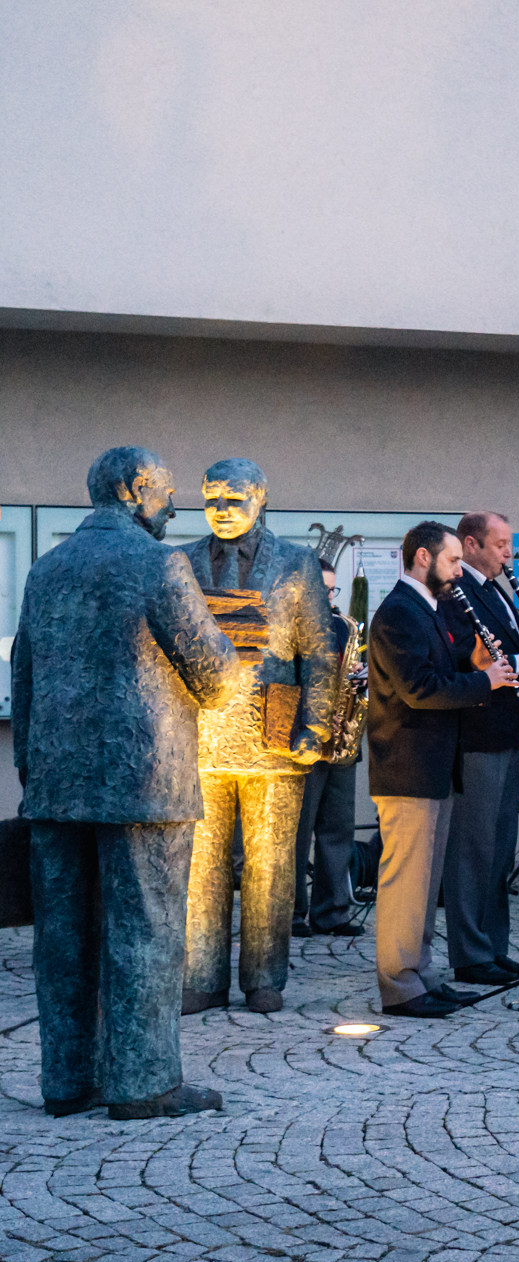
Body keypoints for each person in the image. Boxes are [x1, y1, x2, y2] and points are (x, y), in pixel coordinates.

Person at [15, 445, 241, 1119]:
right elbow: (216, 673)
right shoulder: (160, 563)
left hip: (55, 784)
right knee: (146, 928)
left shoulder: (47, 569)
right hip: (147, 782)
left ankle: (66, 1081)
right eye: (165, 492)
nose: (174, 506)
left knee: (63, 939)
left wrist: (34, 767)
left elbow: (22, 677)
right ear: (132, 488)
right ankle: (143, 1083)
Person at [177, 457, 337, 1014]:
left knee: (271, 864)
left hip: (274, 731)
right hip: (199, 735)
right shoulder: (182, 561)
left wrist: (316, 725)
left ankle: (264, 976)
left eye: (234, 498)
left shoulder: (295, 563)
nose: (221, 510)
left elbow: (321, 650)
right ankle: (201, 975)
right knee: (202, 864)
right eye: (211, 499)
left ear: (262, 497)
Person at [368, 521, 514, 1018]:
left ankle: (422, 974)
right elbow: (420, 689)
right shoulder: (398, 612)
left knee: (426, 885)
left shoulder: (424, 609)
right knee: (405, 883)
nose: (458, 571)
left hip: (433, 767)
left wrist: (472, 662)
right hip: (408, 767)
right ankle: (400, 984)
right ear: (424, 558)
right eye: (453, 561)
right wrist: (486, 681)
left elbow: (444, 668)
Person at [438, 512, 519, 986]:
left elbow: (507, 648)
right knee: (473, 849)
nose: (509, 554)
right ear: (471, 545)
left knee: (500, 849)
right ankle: (470, 955)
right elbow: (470, 655)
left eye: (510, 545)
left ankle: (494, 946)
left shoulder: (498, 591)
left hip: (508, 730)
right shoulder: (456, 592)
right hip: (478, 732)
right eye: (501, 544)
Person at [293, 560, 363, 938]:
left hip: (340, 743)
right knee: (296, 834)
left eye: (333, 590)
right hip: (302, 742)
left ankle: (333, 912)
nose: (329, 598)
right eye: (322, 589)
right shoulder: (287, 626)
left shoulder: (343, 626)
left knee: (338, 830)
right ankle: (289, 913)